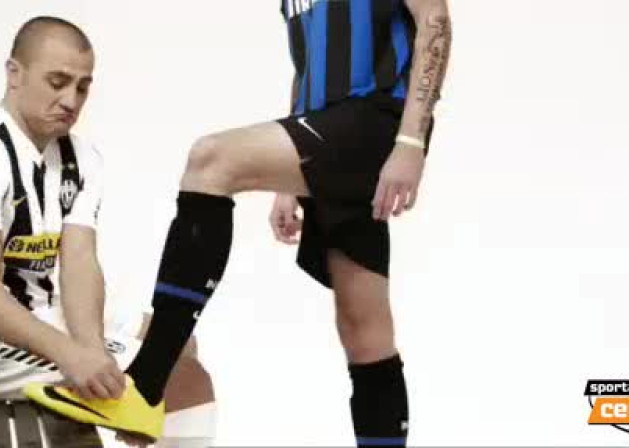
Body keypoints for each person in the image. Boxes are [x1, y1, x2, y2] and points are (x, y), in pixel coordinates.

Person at [27, 0, 452, 446]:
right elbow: (308, 65)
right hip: (327, 132)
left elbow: (435, 18)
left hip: (373, 120)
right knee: (365, 331)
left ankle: (146, 386)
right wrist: (288, 182)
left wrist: (410, 140)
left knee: (211, 160)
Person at [0, 16, 217, 446]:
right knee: (184, 379)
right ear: (14, 73)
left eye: (82, 87)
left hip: (45, 310)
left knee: (178, 345)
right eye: (57, 82)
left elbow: (79, 262)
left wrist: (90, 346)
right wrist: (70, 353)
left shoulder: (81, 157)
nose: (71, 100)